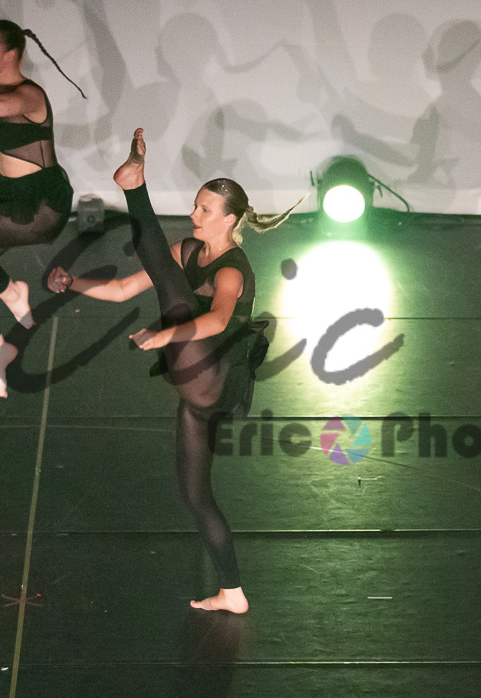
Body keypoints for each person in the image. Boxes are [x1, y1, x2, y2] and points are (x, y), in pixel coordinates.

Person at [49, 129, 297, 613]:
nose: (194, 214)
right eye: (196, 205)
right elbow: (123, 290)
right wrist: (72, 282)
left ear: (230, 220)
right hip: (196, 394)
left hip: (217, 375)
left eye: (205, 210)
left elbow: (218, 320)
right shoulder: (188, 251)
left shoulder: (232, 270)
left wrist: (164, 337)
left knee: (175, 292)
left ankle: (134, 188)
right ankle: (233, 593)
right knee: (195, 496)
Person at [0, 19, 84, 396]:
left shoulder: (29, 95)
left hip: (41, 207)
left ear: (11, 55)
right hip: (10, 196)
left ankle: (11, 292)